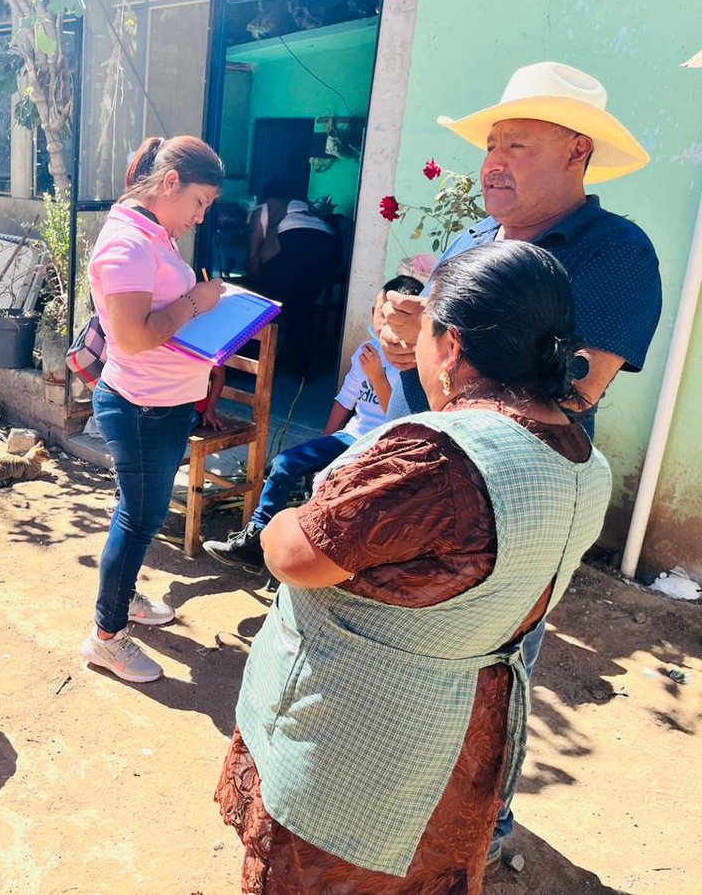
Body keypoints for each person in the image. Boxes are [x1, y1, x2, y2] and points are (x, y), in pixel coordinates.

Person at [216, 241, 612, 894]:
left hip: (360, 745)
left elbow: (294, 555)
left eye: (424, 335)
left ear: (451, 347)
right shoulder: (579, 460)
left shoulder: (436, 457)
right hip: (460, 738)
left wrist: (284, 517)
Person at [376, 61, 662, 864]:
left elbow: (577, 391)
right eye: (491, 142)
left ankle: (484, 828)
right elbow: (423, 361)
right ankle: (405, 813)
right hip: (422, 474)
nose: (492, 159)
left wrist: (449, 356)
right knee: (409, 659)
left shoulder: (615, 254)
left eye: (517, 143)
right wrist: (405, 331)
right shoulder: (472, 241)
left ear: (578, 152)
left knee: (496, 668)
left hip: (518, 501)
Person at [81, 135, 226, 684]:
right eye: (199, 202)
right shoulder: (127, 245)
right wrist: (199, 302)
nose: (201, 215)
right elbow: (136, 337)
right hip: (142, 409)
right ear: (170, 184)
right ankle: (106, 637)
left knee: (137, 514)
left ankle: (125, 597)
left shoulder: (154, 236)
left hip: (164, 405)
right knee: (139, 518)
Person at [202, 275, 422, 572]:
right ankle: (255, 538)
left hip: (382, 444)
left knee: (332, 483)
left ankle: (314, 557)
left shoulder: (413, 365)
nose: (381, 322)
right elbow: (344, 401)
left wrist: (378, 378)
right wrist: (323, 443)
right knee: (285, 463)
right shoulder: (366, 352)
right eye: (378, 312)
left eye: (389, 315)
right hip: (351, 438)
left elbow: (398, 420)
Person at [247, 179, 340, 375]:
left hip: (295, 241)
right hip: (327, 246)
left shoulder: (263, 208)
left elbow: (254, 253)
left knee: (268, 306)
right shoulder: (303, 206)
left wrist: (257, 286)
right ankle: (302, 369)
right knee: (303, 307)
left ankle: (255, 363)